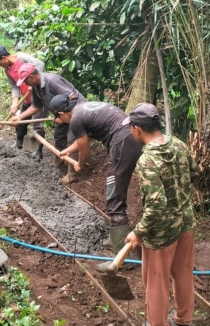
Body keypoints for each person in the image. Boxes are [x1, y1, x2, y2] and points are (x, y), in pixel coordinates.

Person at [123, 103, 198, 326]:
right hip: (185, 222)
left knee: (156, 281)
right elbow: (196, 172)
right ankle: (183, 322)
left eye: (131, 128)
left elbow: (156, 205)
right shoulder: (178, 144)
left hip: (161, 233)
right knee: (183, 272)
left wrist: (138, 232)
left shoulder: (147, 161)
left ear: (137, 128)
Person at [50, 95, 144, 268]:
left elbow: (86, 152)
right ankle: (117, 238)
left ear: (62, 113)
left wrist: (79, 164)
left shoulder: (76, 120)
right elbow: (82, 141)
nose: (57, 121)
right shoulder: (83, 108)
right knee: (116, 189)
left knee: (113, 194)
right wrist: (67, 151)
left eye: (57, 117)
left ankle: (123, 257)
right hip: (129, 137)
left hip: (122, 142)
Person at [12, 64, 85, 180]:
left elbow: (74, 98)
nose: (25, 84)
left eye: (26, 80)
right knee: (59, 137)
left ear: (32, 76)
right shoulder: (36, 87)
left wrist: (65, 117)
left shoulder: (53, 81)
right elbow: (36, 106)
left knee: (71, 140)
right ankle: (60, 160)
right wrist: (20, 117)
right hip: (61, 115)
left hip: (77, 112)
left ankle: (72, 174)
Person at [0, 44, 45, 159]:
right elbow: (14, 86)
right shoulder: (7, 69)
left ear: (4, 58)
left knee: (37, 124)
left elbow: (40, 64)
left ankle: (38, 151)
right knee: (19, 121)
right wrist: (14, 102)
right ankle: (19, 143)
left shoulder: (22, 58)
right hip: (26, 98)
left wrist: (33, 83)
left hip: (38, 98)